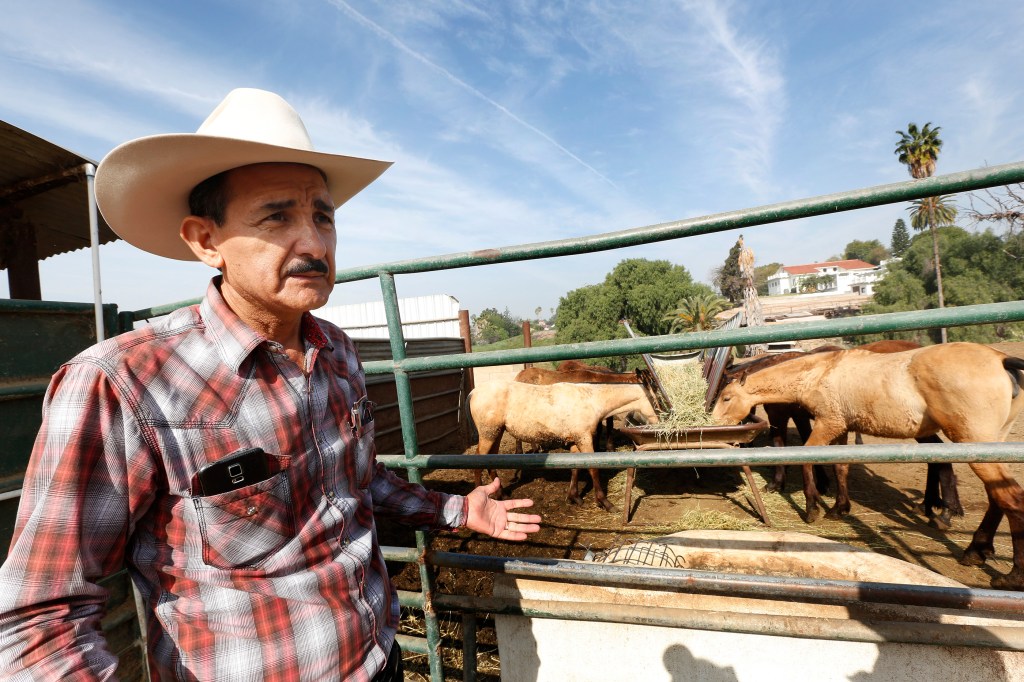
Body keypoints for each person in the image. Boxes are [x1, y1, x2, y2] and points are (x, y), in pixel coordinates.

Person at [0, 88, 542, 681]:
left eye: (323, 217)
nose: (314, 244)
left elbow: (355, 484)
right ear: (206, 241)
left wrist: (457, 508)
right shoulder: (123, 383)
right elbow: (41, 618)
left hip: (377, 659)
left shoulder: (335, 350)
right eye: (277, 216)